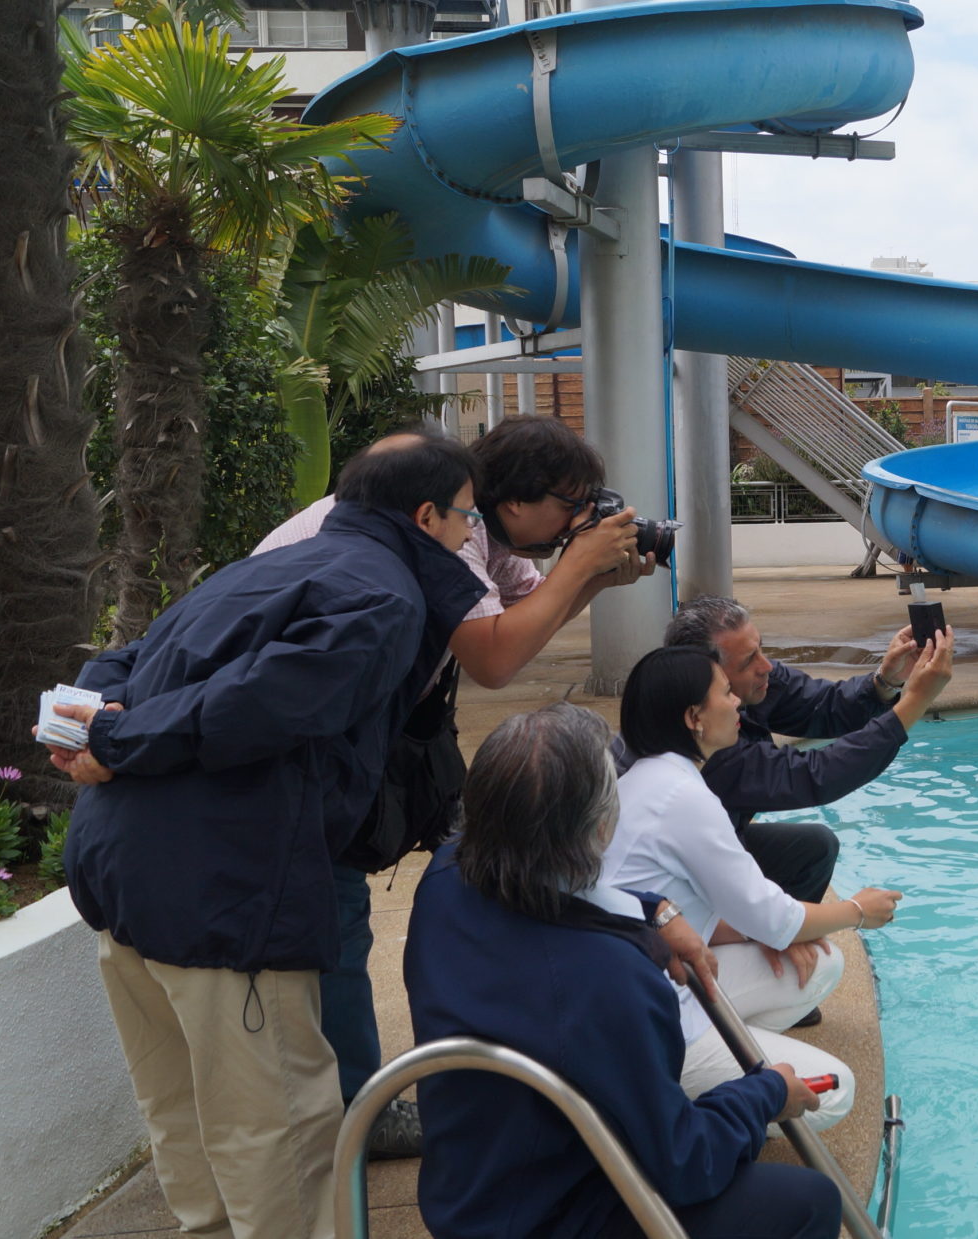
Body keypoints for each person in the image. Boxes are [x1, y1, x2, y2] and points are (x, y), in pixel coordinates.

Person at [43, 432, 490, 1239]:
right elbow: (261, 705)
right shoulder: (386, 596)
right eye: (467, 517)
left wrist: (85, 723)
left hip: (124, 885)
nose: (470, 535)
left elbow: (129, 658)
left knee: (185, 1127)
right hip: (228, 901)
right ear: (427, 515)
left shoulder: (269, 565)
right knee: (279, 1147)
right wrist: (112, 741)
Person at [255, 415, 654, 1155]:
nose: (577, 518)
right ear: (507, 500)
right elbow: (493, 657)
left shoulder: (477, 526)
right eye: (569, 503)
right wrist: (580, 563)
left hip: (366, 726)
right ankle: (360, 1108)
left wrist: (592, 572)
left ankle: (490, 1041)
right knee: (340, 909)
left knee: (473, 860)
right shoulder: (451, 531)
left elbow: (526, 616)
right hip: (303, 739)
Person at [406, 701, 840, 1239]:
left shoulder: (445, 880)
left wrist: (651, 908)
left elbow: (554, 895)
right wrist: (767, 1093)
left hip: (468, 1188)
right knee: (810, 1201)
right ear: (603, 827)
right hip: (552, 1215)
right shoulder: (606, 978)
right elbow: (683, 1164)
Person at [607, 646, 906, 1133]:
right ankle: (678, 1118)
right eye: (726, 693)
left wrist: (766, 933)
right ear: (693, 718)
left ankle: (733, 1059)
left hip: (654, 983)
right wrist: (857, 910)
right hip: (652, 1026)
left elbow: (705, 913)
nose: (738, 705)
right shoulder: (685, 798)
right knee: (835, 1089)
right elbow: (777, 918)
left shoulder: (649, 779)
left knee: (822, 964)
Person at [645, 595, 955, 904]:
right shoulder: (701, 746)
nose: (766, 666)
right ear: (702, 684)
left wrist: (885, 681)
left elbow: (822, 705)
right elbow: (814, 775)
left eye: (760, 649)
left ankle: (780, 944)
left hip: (716, 845)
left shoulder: (741, 685)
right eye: (748, 661)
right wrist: (915, 702)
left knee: (813, 848)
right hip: (674, 887)